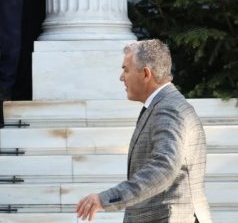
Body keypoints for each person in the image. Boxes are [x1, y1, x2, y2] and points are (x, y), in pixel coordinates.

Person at [76, 40, 212, 223]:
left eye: (126, 70)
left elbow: (164, 168)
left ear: (146, 74)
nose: (121, 77)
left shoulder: (169, 108)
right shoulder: (166, 104)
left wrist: (105, 199)